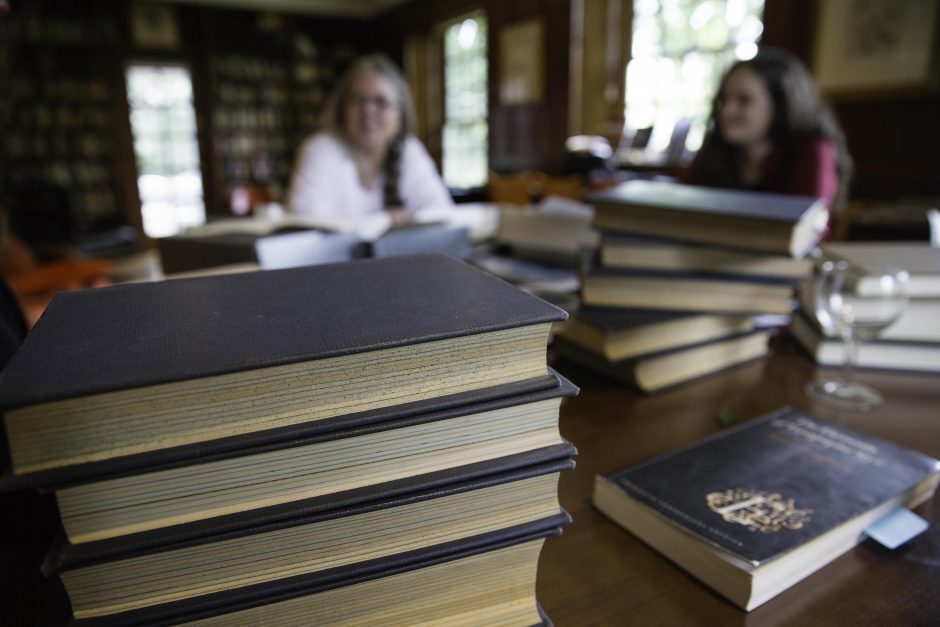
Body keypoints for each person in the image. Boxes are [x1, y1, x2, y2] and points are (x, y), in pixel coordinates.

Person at [684, 48, 852, 219]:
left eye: (744, 100)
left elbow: (809, 229)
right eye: (723, 99)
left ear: (779, 106)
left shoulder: (813, 151)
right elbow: (682, 210)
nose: (726, 111)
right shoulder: (715, 149)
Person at [288, 54, 453, 225]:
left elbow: (441, 212)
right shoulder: (320, 149)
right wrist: (388, 219)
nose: (368, 111)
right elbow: (306, 224)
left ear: (400, 116)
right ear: (342, 109)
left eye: (381, 102)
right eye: (359, 100)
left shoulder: (409, 149)